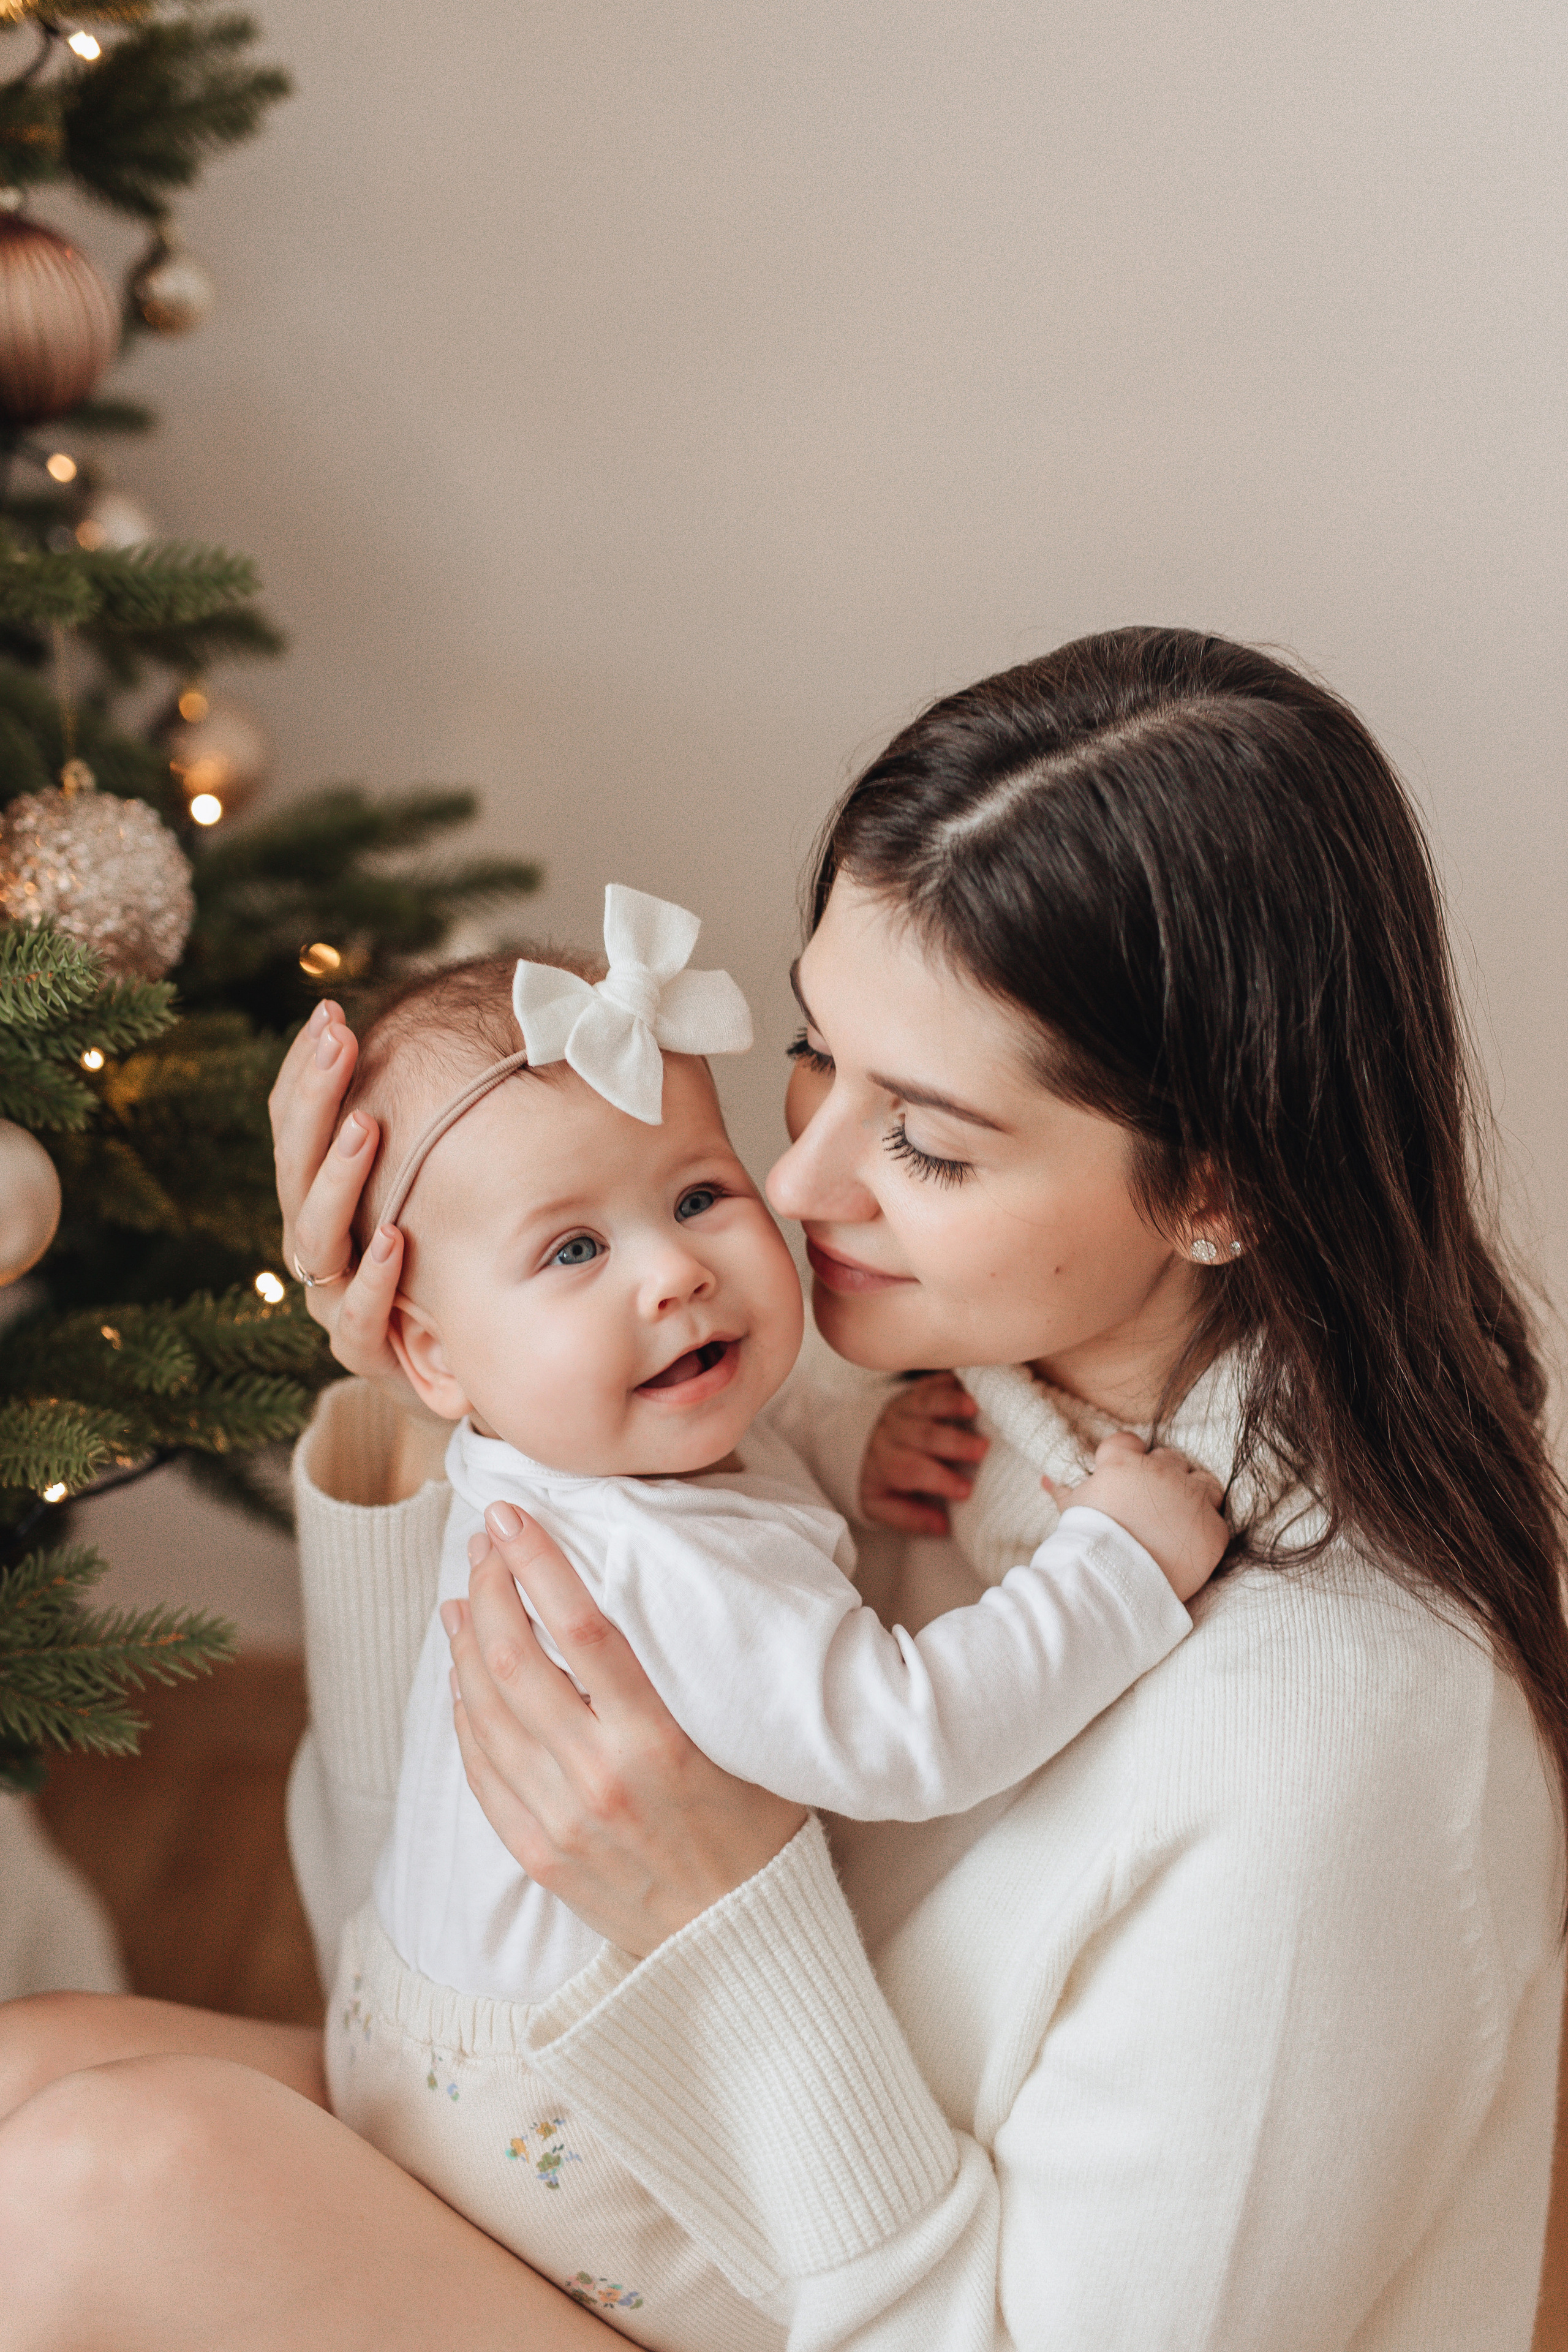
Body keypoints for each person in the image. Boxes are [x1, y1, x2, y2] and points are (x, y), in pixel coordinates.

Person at [1, 626, 1563, 2352]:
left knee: (105, 2183)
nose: (796, 1180)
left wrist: (712, 1908)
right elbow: (415, 1947)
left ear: (1213, 1186)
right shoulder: (858, 1407)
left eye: (931, 1141)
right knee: (35, 2075)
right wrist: (457, 1430)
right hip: (653, 2212)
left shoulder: (1334, 1753)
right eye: (815, 1055)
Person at [318, 886, 1223, 2322]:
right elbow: (903, 1734)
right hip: (556, 2129)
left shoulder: (533, 1447)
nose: (675, 1272)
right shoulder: (673, 1564)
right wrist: (1110, 1569)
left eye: (695, 1195)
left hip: (407, 2014)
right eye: (571, 1251)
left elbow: (727, 1453)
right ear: (429, 1354)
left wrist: (841, 1446)